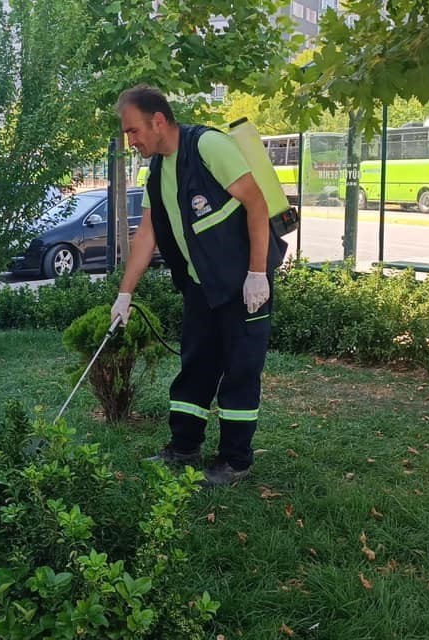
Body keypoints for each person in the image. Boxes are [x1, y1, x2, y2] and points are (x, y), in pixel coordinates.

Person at [108, 85, 286, 487]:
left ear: (158, 121)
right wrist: (125, 292)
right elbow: (148, 233)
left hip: (244, 284)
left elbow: (256, 203)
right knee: (195, 367)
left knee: (240, 370)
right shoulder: (155, 171)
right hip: (200, 285)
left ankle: (235, 460)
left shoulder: (208, 147)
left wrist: (258, 274)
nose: (131, 140)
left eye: (134, 131)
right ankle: (183, 446)